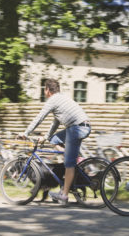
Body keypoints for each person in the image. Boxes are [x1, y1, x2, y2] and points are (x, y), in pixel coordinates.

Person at [17, 78, 91, 206]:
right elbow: (56, 122)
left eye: (44, 90)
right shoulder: (61, 98)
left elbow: (39, 118)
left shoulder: (53, 100)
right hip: (80, 126)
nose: (44, 92)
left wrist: (26, 133)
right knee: (54, 139)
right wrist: (46, 137)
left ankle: (64, 195)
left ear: (47, 90)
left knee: (68, 163)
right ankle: (71, 160)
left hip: (77, 128)